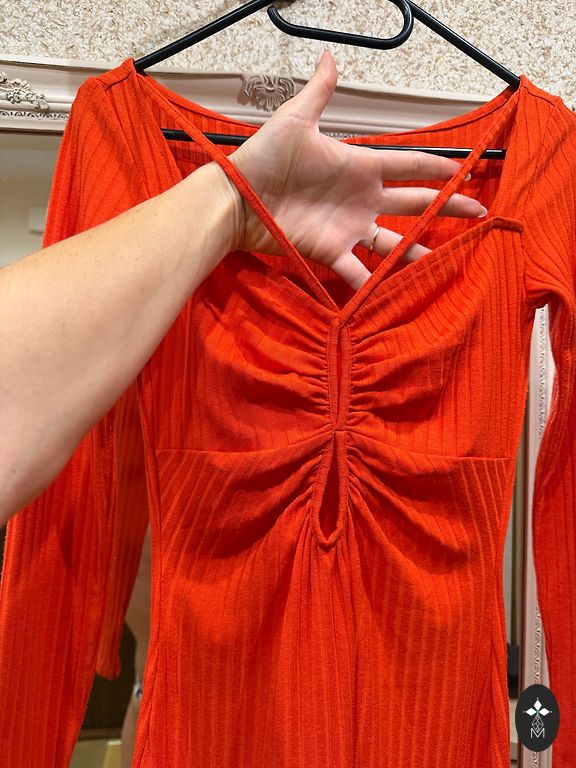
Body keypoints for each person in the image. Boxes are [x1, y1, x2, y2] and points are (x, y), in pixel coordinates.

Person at [0, 50, 486, 527]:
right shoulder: (116, 125)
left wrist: (235, 197)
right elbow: (84, 472)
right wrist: (235, 196)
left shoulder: (526, 151)